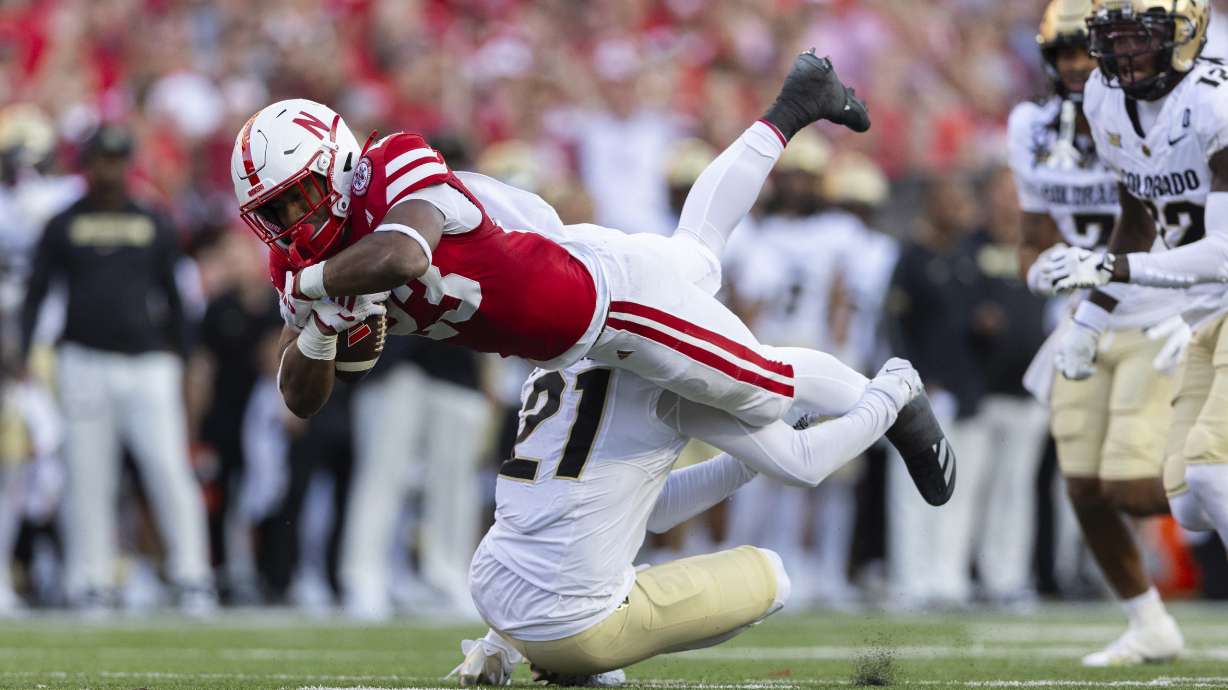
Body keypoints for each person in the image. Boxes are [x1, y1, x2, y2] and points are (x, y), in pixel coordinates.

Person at [231, 50, 956, 510]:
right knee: (702, 261)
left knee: (763, 389)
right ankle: (796, 104)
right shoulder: (306, 266)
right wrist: (320, 333)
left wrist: (316, 289)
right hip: (572, 344)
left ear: (337, 163)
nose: (293, 222)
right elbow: (306, 394)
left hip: (600, 291)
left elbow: (404, 256)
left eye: (299, 197)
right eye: (275, 212)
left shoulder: (390, 165)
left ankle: (894, 396)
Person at [1009, 0, 1186, 665]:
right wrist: (1038, 272)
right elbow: (1033, 236)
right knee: (1082, 486)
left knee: (1131, 489)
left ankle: (1213, 486)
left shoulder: (1150, 112)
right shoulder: (1030, 126)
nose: (1077, 65)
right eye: (1064, 53)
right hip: (1082, 320)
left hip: (1155, 311)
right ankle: (1148, 622)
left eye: (1086, 50)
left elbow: (1149, 223)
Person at [1041, 1, 1228, 552]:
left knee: (1210, 473)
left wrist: (1109, 266)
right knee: (1189, 504)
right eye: (1114, 38)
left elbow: (1224, 253)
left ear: (1184, 34)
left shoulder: (1214, 102)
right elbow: (1138, 220)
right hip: (1204, 313)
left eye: (1138, 38)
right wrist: (1090, 322)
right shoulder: (1105, 99)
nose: (1123, 54)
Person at [19, 125, 214, 613]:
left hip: (150, 363)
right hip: (83, 359)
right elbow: (37, 294)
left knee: (169, 469)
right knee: (88, 477)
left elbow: (175, 298)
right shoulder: (63, 223)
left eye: (119, 159)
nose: (111, 169)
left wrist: (186, 359)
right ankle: (91, 579)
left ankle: (192, 575)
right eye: (103, 160)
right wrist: (23, 353)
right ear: (87, 165)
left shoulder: (153, 218)